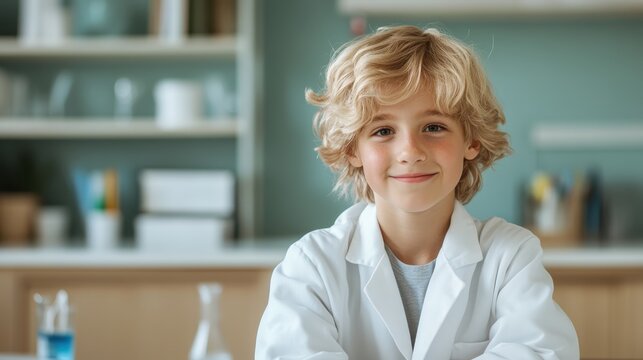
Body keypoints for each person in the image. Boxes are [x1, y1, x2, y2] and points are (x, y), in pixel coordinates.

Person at [255, 25, 579, 360]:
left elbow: (542, 351)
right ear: (353, 148)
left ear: (471, 140)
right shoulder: (312, 266)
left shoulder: (510, 258)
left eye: (434, 127)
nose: (410, 151)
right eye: (383, 131)